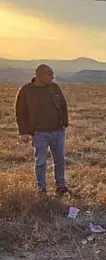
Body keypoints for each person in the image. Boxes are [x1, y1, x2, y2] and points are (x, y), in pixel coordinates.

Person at [14, 64, 70, 195]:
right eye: (50, 74)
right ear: (40, 75)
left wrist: (64, 123)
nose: (53, 77)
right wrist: (23, 132)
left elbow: (63, 105)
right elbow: (20, 112)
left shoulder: (54, 88)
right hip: (39, 133)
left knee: (60, 160)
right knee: (40, 161)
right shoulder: (26, 91)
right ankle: (42, 188)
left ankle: (61, 186)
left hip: (58, 131)